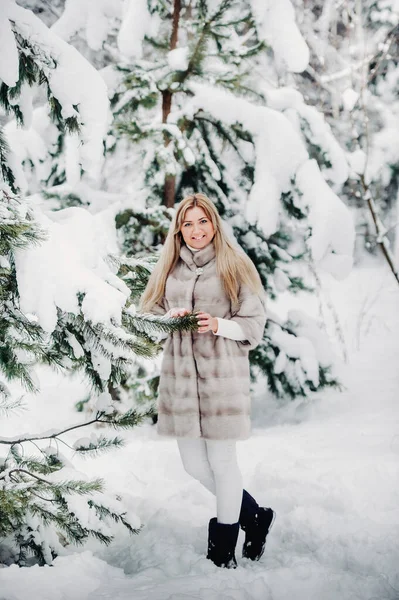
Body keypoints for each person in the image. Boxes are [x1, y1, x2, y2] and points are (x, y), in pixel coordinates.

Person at [139, 192, 275, 568]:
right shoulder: (169, 267)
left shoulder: (234, 264)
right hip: (181, 383)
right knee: (193, 466)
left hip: (222, 379)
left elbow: (254, 325)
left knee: (222, 461)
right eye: (188, 223)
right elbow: (148, 314)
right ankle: (256, 517)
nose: (196, 230)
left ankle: (222, 550)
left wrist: (218, 324)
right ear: (178, 230)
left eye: (202, 222)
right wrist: (172, 316)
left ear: (214, 224)